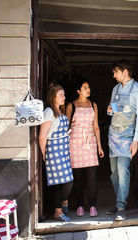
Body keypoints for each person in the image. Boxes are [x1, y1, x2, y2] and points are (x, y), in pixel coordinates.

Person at [106, 60, 138, 221]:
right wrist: (110, 111)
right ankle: (120, 200)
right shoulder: (115, 89)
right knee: (114, 173)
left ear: (125, 72)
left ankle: (121, 206)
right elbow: (113, 109)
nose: (114, 75)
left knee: (123, 170)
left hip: (128, 137)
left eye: (116, 72)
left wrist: (136, 140)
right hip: (113, 136)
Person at [66, 79, 104, 217]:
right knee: (78, 177)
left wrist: (99, 146)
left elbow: (96, 127)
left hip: (90, 143)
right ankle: (80, 205)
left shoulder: (93, 105)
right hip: (75, 144)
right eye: (85, 87)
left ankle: (93, 205)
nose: (88, 89)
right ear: (78, 91)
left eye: (88, 87)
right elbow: (67, 126)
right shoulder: (71, 105)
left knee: (92, 177)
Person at [39, 84, 73, 222]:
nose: (64, 97)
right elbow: (42, 136)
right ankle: (57, 212)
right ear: (53, 97)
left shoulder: (60, 111)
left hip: (63, 151)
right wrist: (43, 154)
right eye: (61, 95)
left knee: (68, 181)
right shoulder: (48, 112)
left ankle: (64, 202)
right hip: (53, 151)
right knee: (57, 183)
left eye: (64, 95)